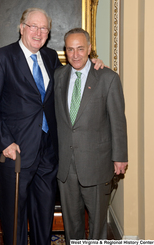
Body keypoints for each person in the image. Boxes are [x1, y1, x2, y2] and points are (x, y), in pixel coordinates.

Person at [0, 8, 104, 245]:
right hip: (15, 152)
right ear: (22, 28)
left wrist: (91, 63)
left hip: (48, 153)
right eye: (33, 26)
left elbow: (70, 78)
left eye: (44, 28)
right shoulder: (1, 59)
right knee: (14, 217)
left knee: (43, 215)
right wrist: (4, 142)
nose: (38, 32)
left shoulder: (50, 57)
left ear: (48, 33)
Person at [54, 28, 128, 243]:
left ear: (89, 49)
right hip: (66, 166)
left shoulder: (108, 78)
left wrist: (120, 156)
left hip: (97, 163)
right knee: (72, 223)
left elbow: (118, 121)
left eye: (80, 49)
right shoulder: (59, 76)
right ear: (65, 51)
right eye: (70, 49)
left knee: (97, 225)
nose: (75, 55)